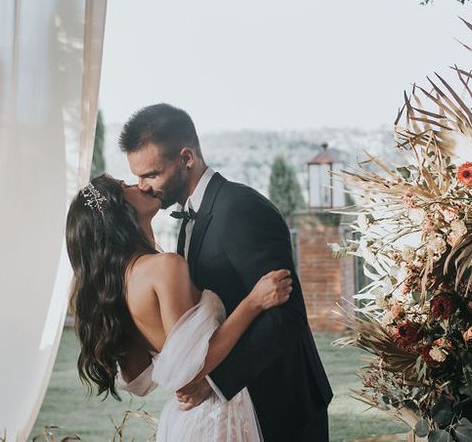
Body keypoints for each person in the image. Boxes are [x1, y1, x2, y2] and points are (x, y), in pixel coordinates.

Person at [120, 103, 333, 442]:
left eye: (151, 174)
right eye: (138, 177)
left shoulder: (241, 208)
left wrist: (212, 380)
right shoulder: (190, 217)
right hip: (235, 411)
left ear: (186, 158)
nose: (143, 186)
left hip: (280, 402)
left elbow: (286, 315)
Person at [66, 172, 292, 441]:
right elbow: (192, 371)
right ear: (119, 212)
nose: (138, 184)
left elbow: (139, 378)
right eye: (125, 186)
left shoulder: (119, 287)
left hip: (183, 419)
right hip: (212, 416)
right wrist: (253, 302)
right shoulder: (164, 268)